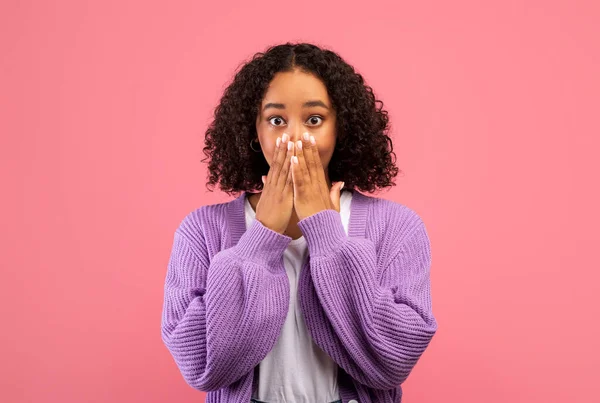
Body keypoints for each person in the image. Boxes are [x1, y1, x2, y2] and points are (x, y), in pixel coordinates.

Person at [160, 42, 437, 403]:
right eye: (277, 120)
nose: (294, 138)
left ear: (342, 129)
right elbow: (203, 367)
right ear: (254, 131)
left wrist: (327, 234)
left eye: (314, 120)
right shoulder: (202, 230)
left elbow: (393, 362)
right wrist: (261, 238)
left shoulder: (397, 227)